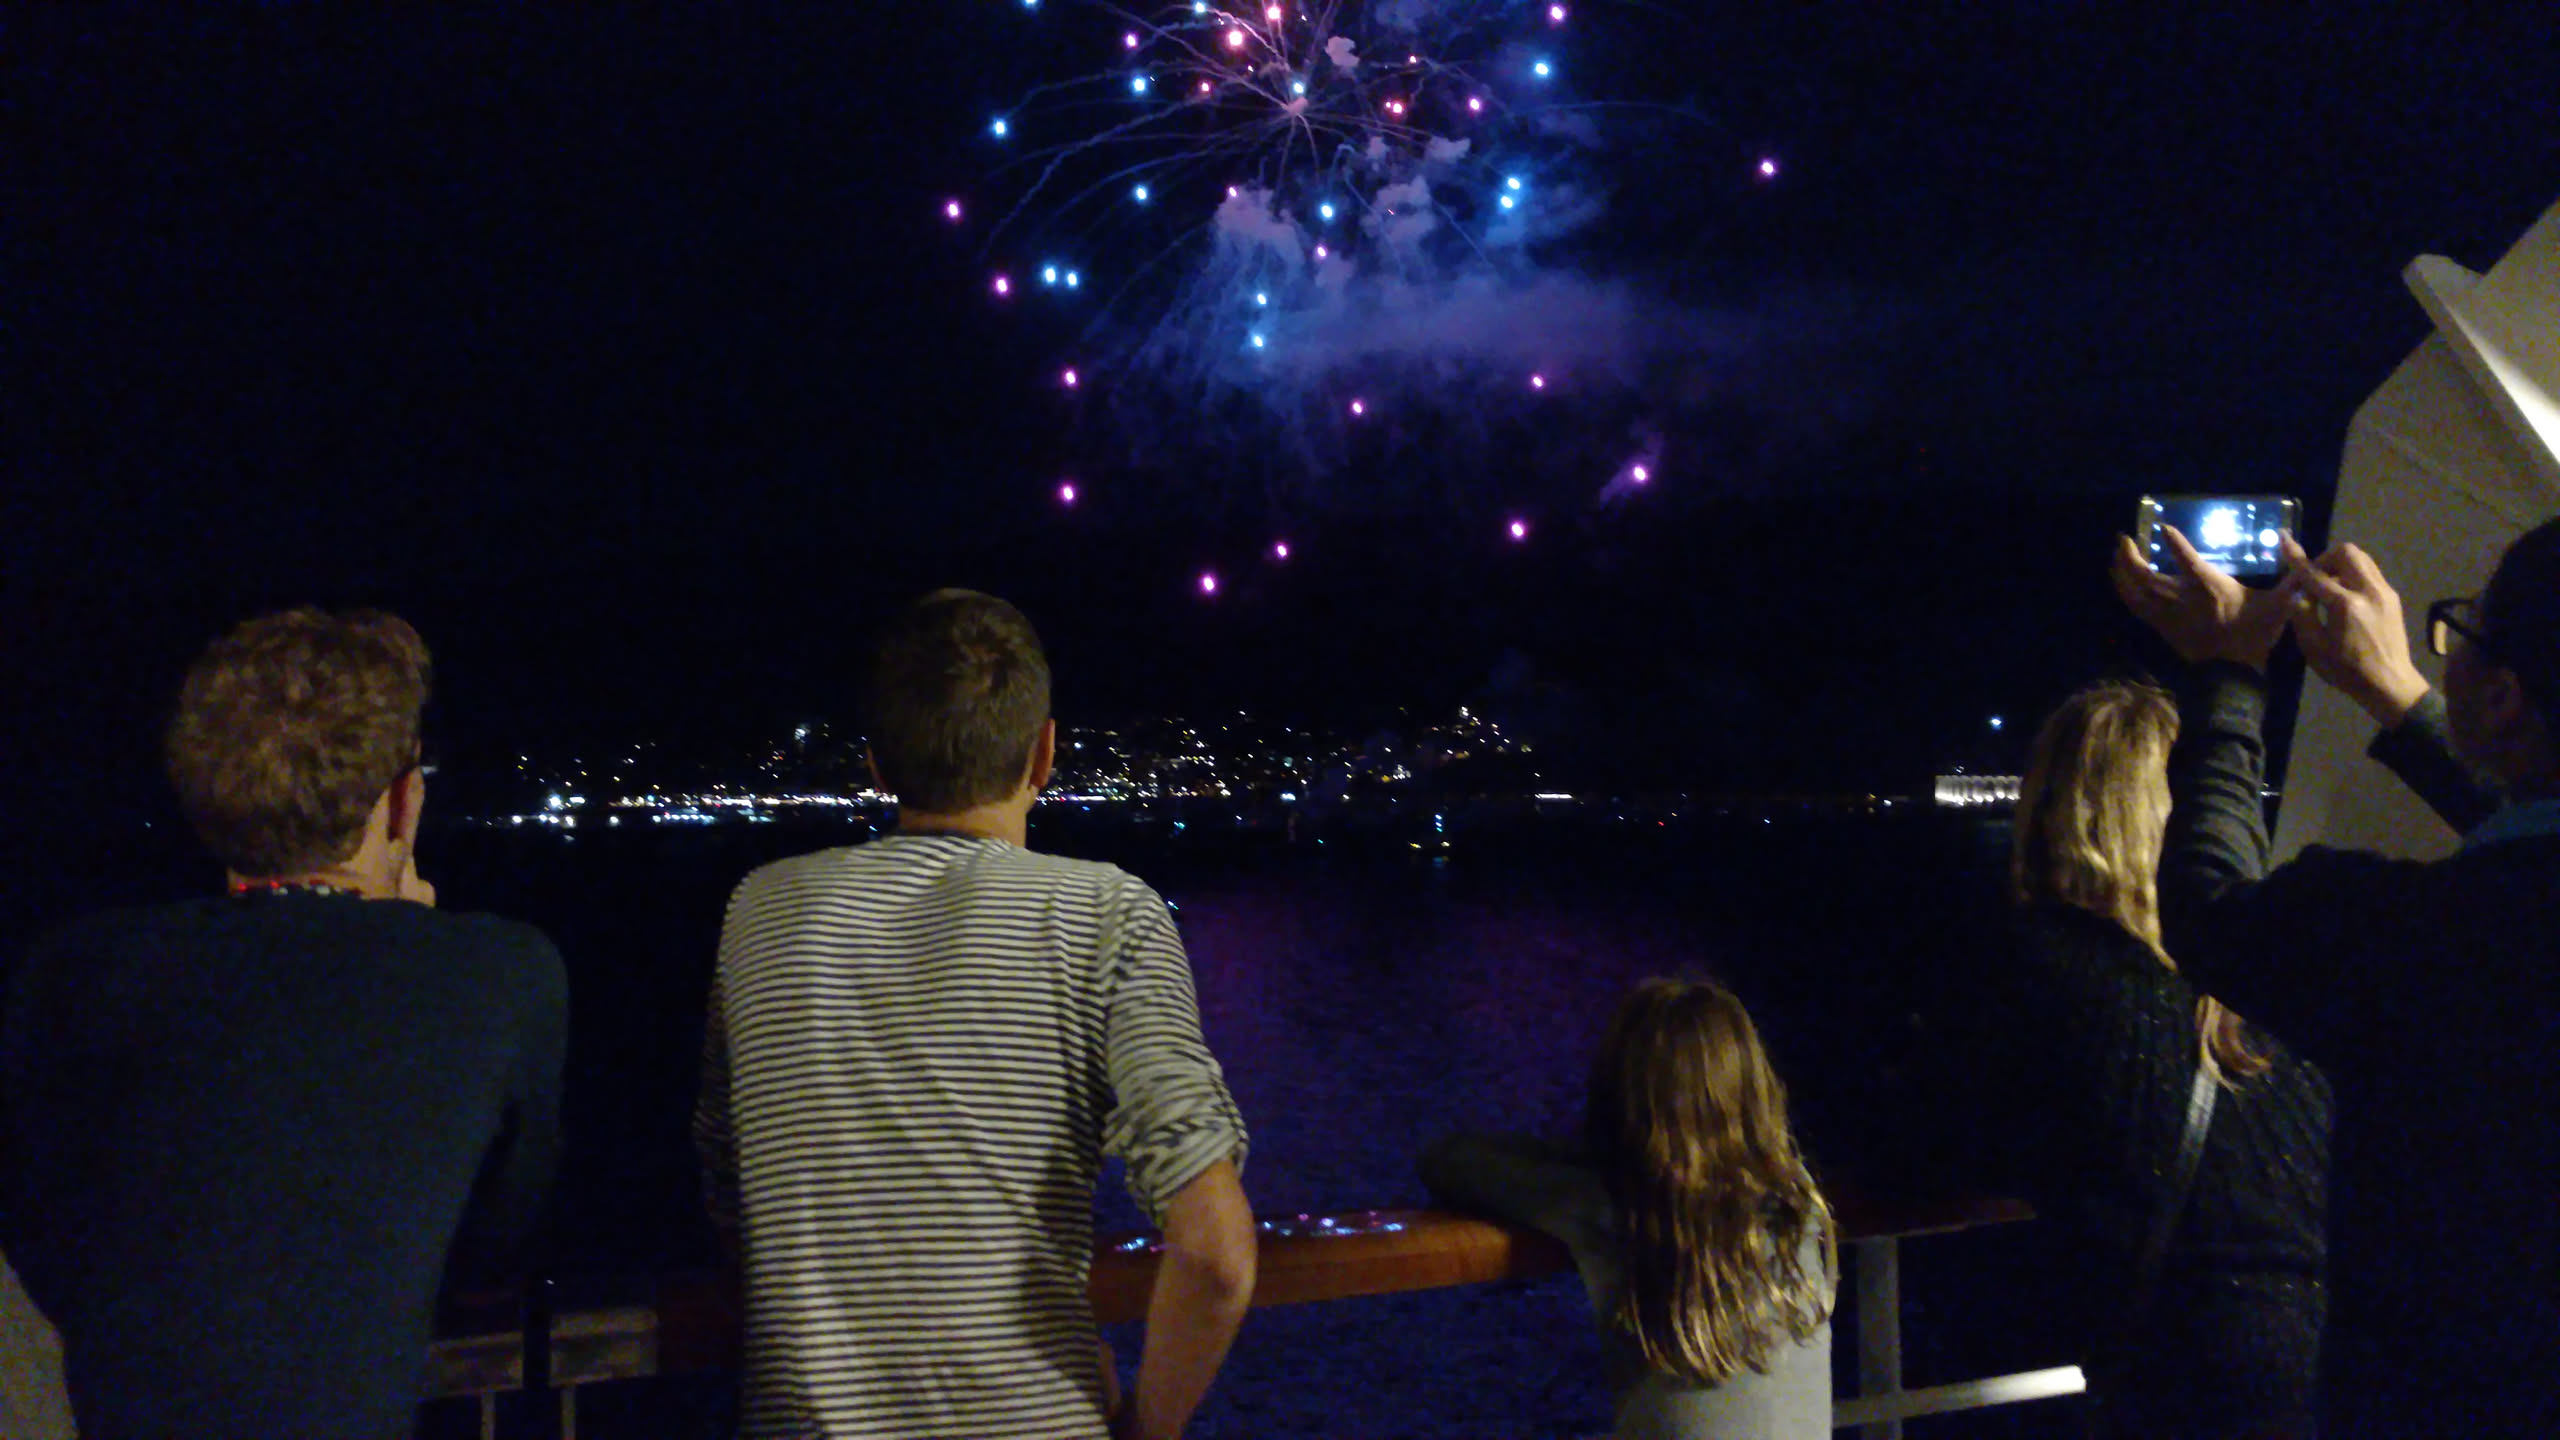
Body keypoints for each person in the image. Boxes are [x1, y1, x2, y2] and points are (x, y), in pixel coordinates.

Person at [693, 589, 1255, 1440]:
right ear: (1044, 753)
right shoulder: (1107, 914)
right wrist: (1148, 1426)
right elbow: (1215, 1256)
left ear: (877, 765)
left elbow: (728, 1191)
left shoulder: (762, 910)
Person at [0, 608, 568, 1438]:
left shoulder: (73, 970)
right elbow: (498, 1235)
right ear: (402, 800)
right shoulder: (502, 972)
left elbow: (39, 1221)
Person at [2113, 518, 2560, 1435]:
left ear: (2505, 696)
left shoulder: (2413, 938)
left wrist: (2232, 671)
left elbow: (2207, 909)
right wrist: (2397, 697)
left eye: (2464, 632)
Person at [1959, 680, 2330, 1438]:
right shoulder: (2259, 991)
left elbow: (1958, 1136)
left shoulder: (2047, 970)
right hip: (2320, 1373)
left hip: (2181, 1383)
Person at [1420, 977, 1835, 1440]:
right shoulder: (1797, 1200)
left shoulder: (1617, 1209)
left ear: (1621, 1095)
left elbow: (1450, 1162)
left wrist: (1592, 1157)